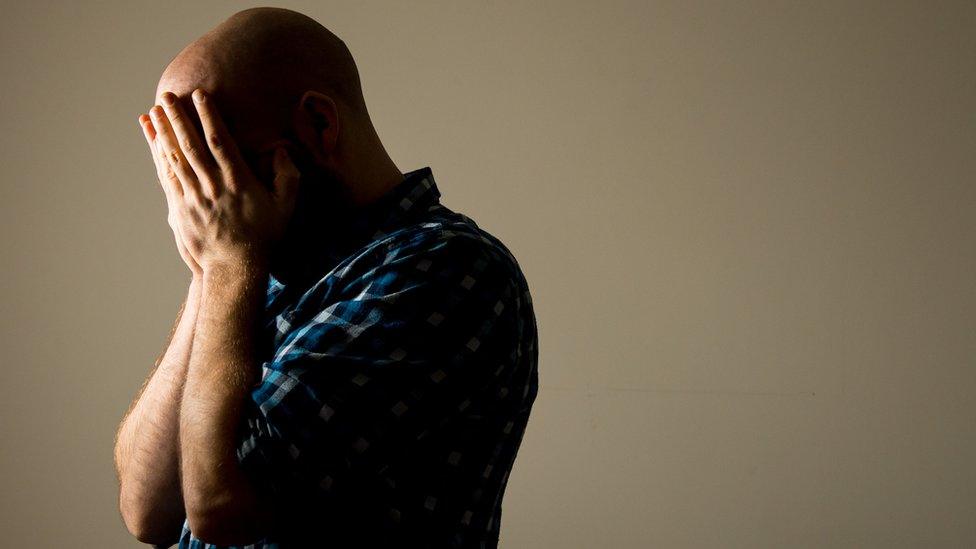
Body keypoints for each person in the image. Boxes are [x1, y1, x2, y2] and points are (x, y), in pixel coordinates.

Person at [113, 7, 538, 549]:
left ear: (318, 124)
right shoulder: (249, 269)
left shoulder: (445, 269)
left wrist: (224, 264)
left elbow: (220, 508)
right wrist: (208, 271)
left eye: (219, 164)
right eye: (186, 174)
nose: (206, 198)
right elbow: (146, 512)